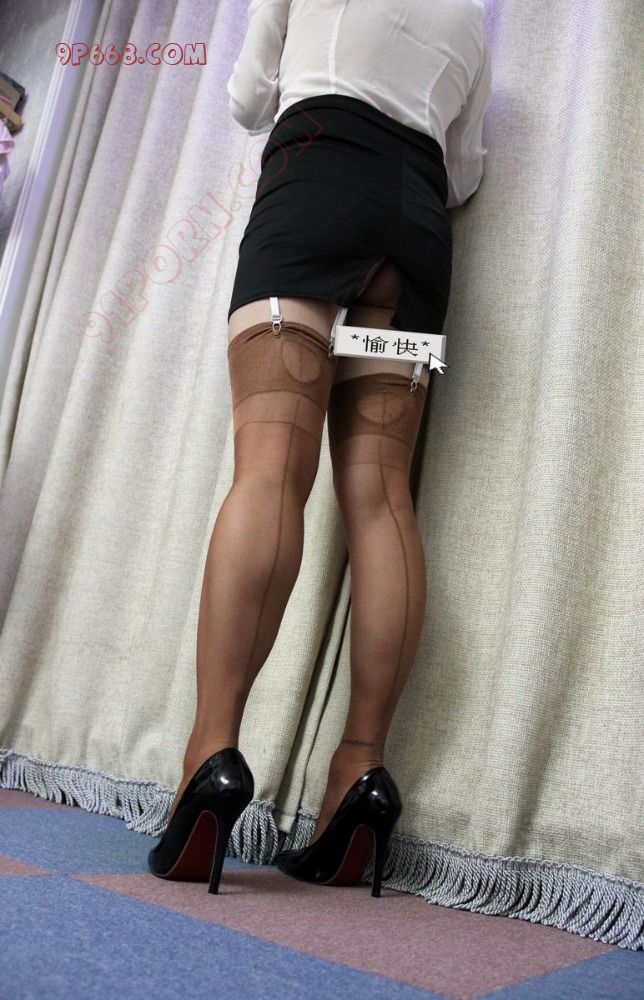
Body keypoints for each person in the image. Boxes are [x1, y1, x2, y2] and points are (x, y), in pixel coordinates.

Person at [148, 0, 493, 896]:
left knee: (271, 469)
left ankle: (209, 756)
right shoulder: (470, 19)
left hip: (317, 178)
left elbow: (246, 97)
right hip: (417, 230)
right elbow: (464, 174)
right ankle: (362, 773)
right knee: (382, 497)